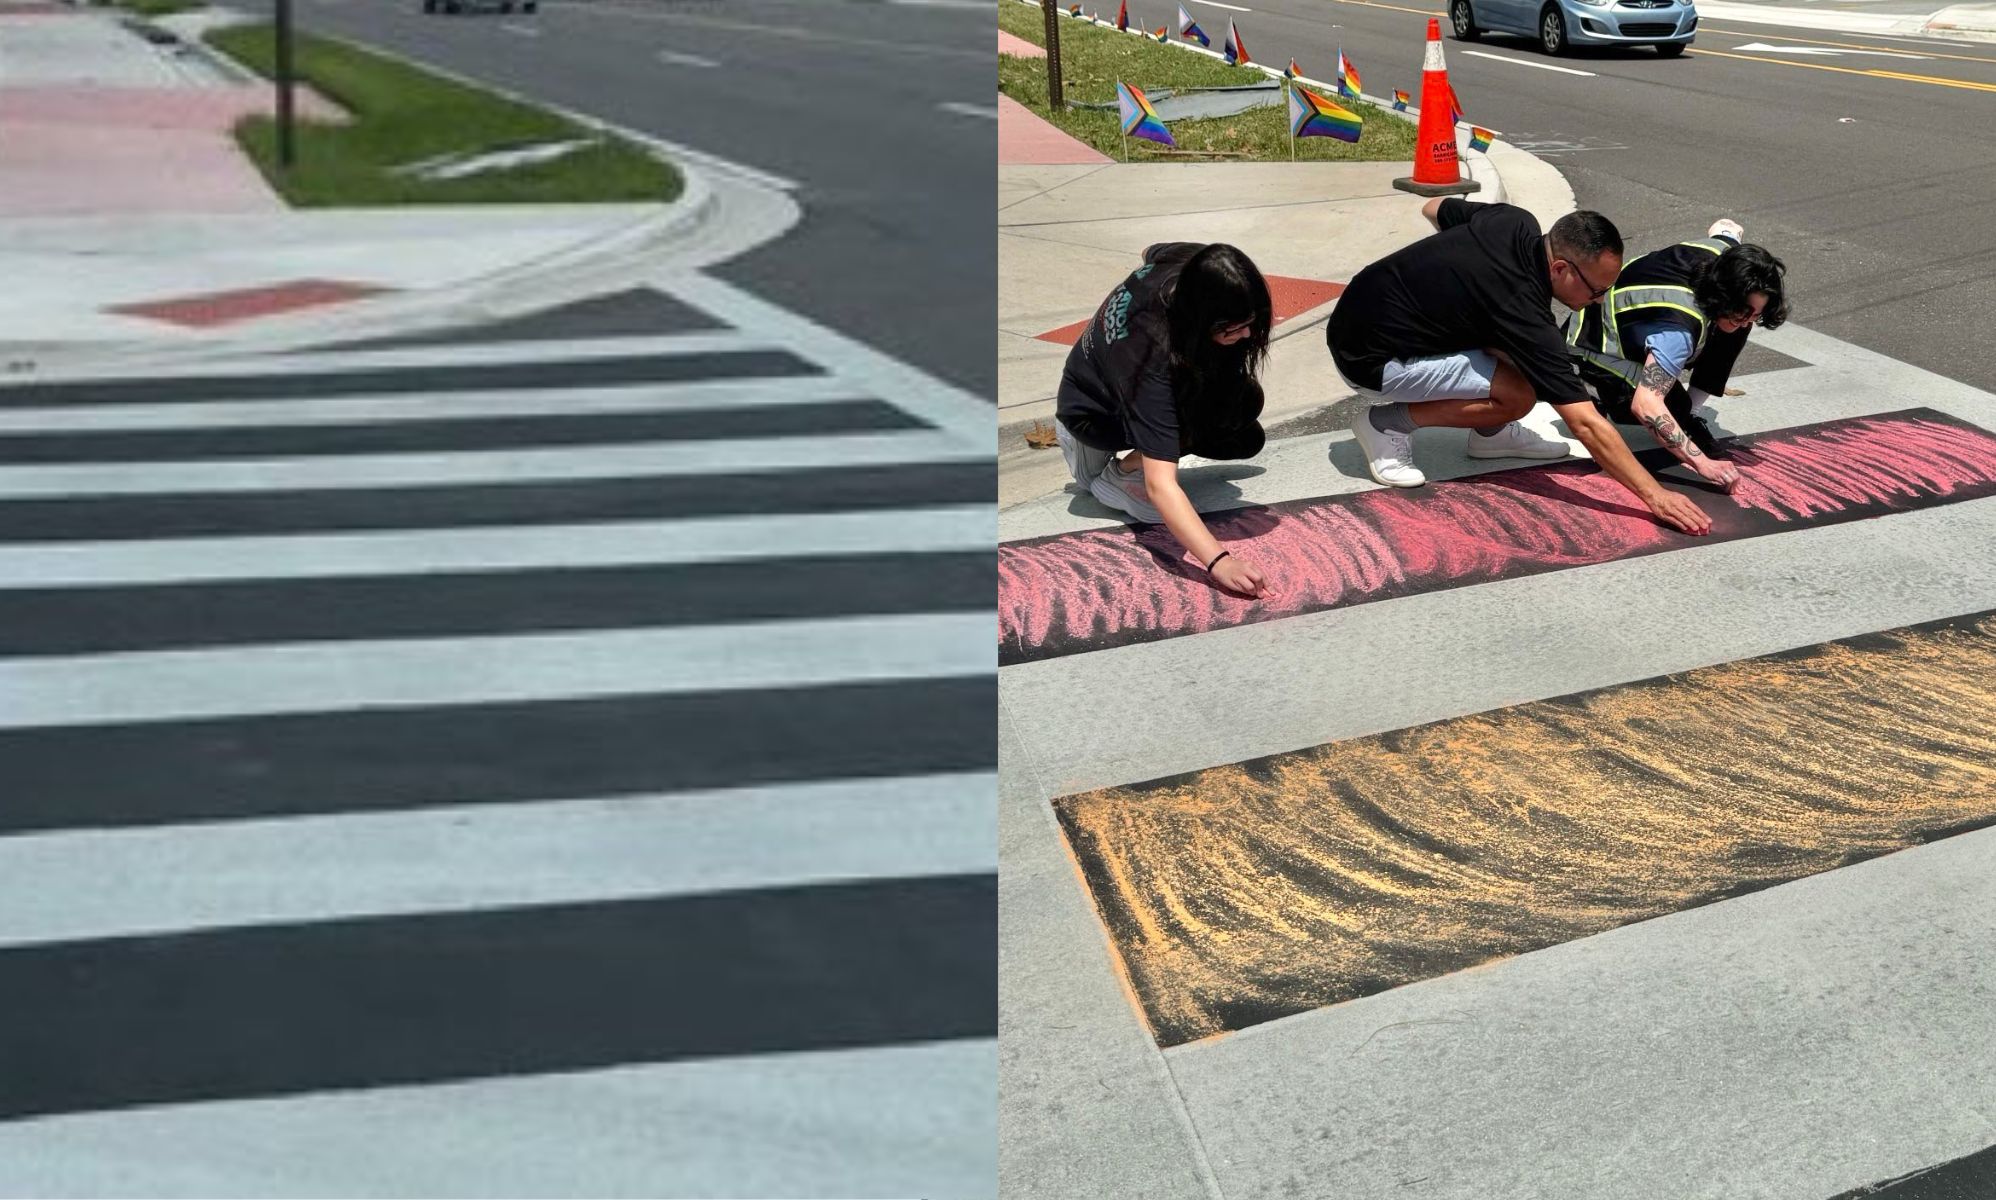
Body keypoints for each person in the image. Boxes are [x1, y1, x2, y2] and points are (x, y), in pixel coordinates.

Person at [1326, 198, 1714, 535]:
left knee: (1521, 360)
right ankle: (1386, 424)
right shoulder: (1522, 309)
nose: (1599, 301)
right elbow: (1585, 423)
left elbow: (1434, 208)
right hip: (1370, 361)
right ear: (1561, 268)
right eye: (1597, 290)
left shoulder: (1514, 221)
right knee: (1519, 393)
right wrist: (1655, 494)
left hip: (1358, 314)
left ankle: (1490, 436)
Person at [1054, 241, 1275, 597]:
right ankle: (1114, 475)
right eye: (1232, 328)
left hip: (1123, 390)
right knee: (1159, 503)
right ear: (1198, 317)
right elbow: (1162, 486)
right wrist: (1221, 561)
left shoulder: (1190, 264)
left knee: (1244, 420)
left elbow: (1150, 251)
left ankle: (1135, 457)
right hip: (1089, 420)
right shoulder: (1148, 363)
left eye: (1250, 323)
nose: (1248, 335)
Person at [1565, 219, 1788, 485]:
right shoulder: (1678, 330)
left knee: (1733, 328)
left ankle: (1687, 415)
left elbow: (1727, 228)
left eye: (1756, 314)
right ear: (1722, 294)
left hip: (1642, 320)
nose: (1748, 319)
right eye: (1743, 311)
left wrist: (1727, 234)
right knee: (1667, 410)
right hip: (1590, 341)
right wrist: (1701, 463)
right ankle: (1591, 387)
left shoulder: (1724, 256)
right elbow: (1646, 405)